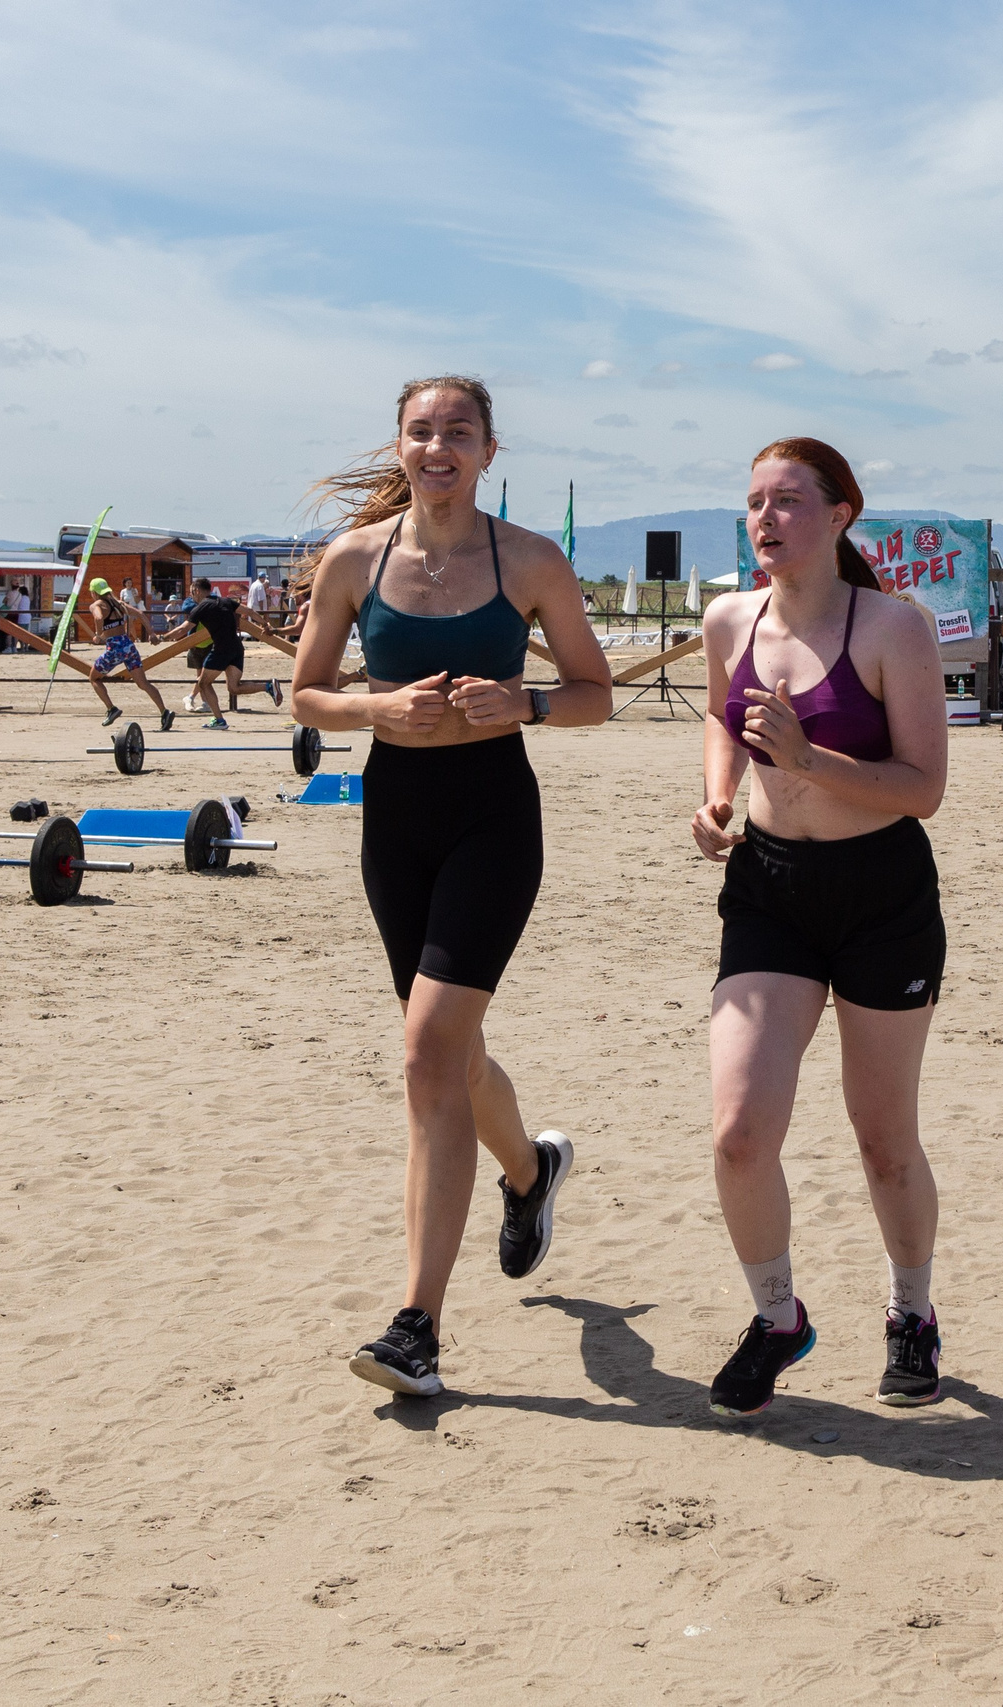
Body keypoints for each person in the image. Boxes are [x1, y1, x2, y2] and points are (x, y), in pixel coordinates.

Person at [288, 375, 613, 1397]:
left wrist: (523, 704)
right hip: (395, 830)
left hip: (493, 824)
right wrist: (377, 710)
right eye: (421, 432)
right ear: (399, 445)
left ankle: (416, 1326)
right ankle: (531, 1171)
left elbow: (596, 694)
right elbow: (305, 694)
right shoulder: (356, 561)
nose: (438, 448)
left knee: (426, 1050)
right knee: (452, 1055)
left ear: (487, 449)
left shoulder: (530, 561)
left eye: (457, 433)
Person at [689, 438, 950, 1417]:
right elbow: (723, 717)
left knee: (883, 1140)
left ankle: (911, 1311)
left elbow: (923, 790)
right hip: (770, 889)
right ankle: (776, 1317)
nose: (766, 520)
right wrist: (719, 796)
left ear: (842, 513)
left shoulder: (893, 628)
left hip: (880, 894)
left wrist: (808, 760)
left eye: (789, 501)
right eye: (753, 502)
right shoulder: (728, 617)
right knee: (739, 1133)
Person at [161, 576, 277, 729]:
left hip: (221, 649)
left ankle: (219, 720)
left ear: (196, 591)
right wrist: (264, 624)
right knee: (234, 688)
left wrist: (162, 637)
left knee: (202, 682)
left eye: (191, 593)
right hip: (237, 647)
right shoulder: (226, 601)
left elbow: (183, 629)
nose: (191, 596)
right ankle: (268, 686)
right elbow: (248, 611)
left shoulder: (201, 607)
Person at [84, 576, 173, 729]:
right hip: (128, 645)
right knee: (143, 683)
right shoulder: (118, 604)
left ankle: (111, 709)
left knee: (93, 678)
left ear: (94, 593)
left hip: (115, 647)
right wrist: (151, 633)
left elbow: (98, 617)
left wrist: (98, 635)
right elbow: (140, 613)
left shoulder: (96, 604)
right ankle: (164, 711)